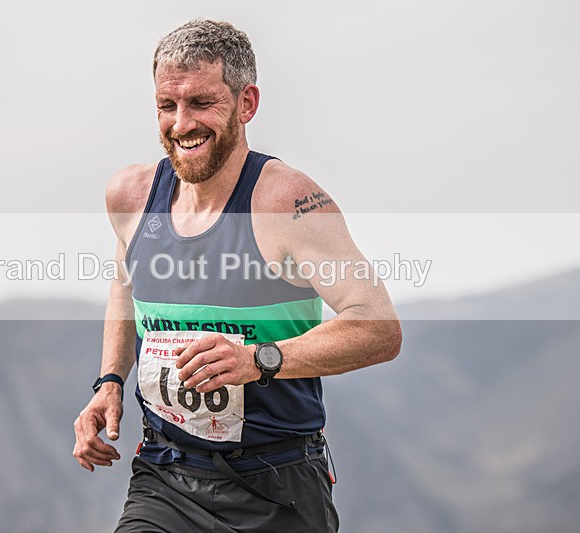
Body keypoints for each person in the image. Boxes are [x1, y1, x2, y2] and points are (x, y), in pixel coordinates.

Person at [73, 19, 402, 532]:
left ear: (246, 104)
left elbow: (379, 328)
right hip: (166, 476)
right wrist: (111, 380)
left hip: (277, 485)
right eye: (167, 105)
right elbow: (127, 286)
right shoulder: (130, 196)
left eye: (202, 103)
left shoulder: (287, 203)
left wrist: (257, 359)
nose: (182, 124)